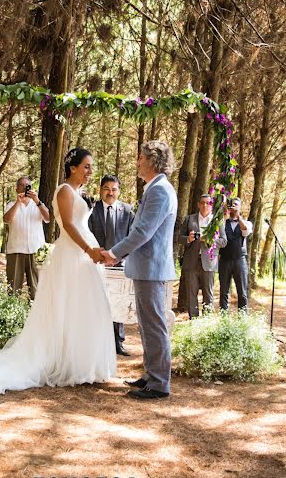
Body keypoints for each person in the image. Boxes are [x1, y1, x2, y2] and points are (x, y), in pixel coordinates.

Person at [0, 148, 116, 393]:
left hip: (84, 253)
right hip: (72, 253)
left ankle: (83, 363)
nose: (90, 171)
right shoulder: (64, 190)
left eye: (91, 166)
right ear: (72, 167)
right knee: (67, 305)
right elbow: (69, 226)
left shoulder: (79, 192)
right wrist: (88, 249)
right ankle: (65, 362)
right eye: (86, 166)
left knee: (85, 306)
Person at [102, 141, 177, 401]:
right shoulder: (155, 188)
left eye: (141, 158)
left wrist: (113, 253)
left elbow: (143, 232)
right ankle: (150, 374)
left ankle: (159, 383)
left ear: (153, 161)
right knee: (146, 325)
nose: (137, 162)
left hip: (152, 268)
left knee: (154, 325)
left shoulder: (160, 191)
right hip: (145, 267)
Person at [88, 174, 134, 355]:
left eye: (114, 189)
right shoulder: (92, 210)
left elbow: (132, 238)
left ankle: (118, 342)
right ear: (100, 190)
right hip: (96, 264)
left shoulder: (128, 211)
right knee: (97, 302)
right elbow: (88, 235)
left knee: (118, 302)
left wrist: (119, 258)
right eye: (106, 189)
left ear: (119, 191)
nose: (110, 193)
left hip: (120, 265)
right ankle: (97, 342)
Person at [180, 194, 227, 318]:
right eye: (202, 202)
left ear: (212, 205)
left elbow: (224, 241)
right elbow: (179, 238)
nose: (205, 205)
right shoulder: (189, 219)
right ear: (198, 204)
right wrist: (189, 239)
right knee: (191, 294)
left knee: (208, 295)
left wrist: (211, 240)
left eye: (208, 203)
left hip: (209, 262)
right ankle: (193, 322)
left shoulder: (217, 221)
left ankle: (206, 323)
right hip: (191, 262)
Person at [3, 177, 50, 299]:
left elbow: (48, 218)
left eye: (27, 185)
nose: (24, 188)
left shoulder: (37, 205)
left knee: (36, 288)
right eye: (22, 185)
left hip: (36, 250)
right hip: (15, 249)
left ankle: (37, 315)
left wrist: (37, 200)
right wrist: (18, 202)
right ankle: (12, 315)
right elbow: (6, 219)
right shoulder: (11, 205)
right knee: (13, 287)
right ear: (16, 188)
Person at [219, 197, 253, 310]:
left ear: (240, 207)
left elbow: (246, 231)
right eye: (232, 204)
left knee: (242, 291)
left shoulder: (246, 222)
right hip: (224, 260)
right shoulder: (223, 223)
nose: (233, 206)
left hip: (240, 260)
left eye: (236, 204)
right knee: (224, 291)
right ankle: (224, 318)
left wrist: (238, 217)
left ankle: (242, 318)